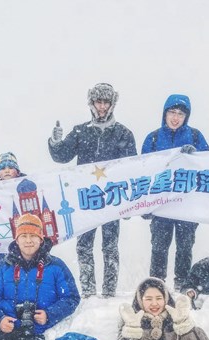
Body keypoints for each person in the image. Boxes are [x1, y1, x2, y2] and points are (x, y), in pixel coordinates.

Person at [48, 82, 137, 298]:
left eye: (107, 102)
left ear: (113, 103)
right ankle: (88, 292)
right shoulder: (80, 132)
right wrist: (55, 142)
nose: (103, 106)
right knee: (84, 246)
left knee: (110, 247)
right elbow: (62, 157)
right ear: (92, 102)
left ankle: (108, 293)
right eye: (99, 101)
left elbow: (133, 171)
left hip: (112, 201)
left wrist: (129, 203)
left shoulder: (123, 133)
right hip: (85, 200)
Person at [141, 94, 209, 291]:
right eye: (172, 112)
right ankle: (156, 286)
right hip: (160, 205)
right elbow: (142, 171)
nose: (175, 117)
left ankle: (182, 285)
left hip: (186, 205)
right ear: (165, 113)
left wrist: (196, 155)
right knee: (159, 248)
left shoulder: (196, 136)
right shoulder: (153, 138)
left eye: (180, 114)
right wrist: (144, 203)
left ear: (186, 117)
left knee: (185, 248)